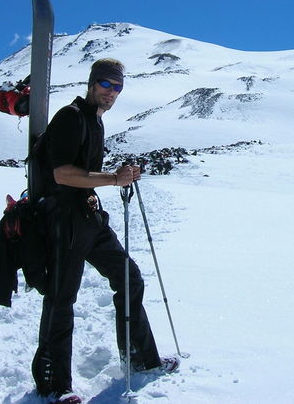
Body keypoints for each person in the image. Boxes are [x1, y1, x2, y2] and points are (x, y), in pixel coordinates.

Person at [32, 58, 179, 403]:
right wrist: (114, 179)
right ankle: (55, 387)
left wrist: (109, 180)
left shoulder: (95, 122)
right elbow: (63, 174)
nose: (112, 92)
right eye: (106, 84)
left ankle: (141, 359)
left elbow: (81, 174)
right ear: (92, 83)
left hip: (88, 217)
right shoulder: (71, 117)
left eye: (118, 87)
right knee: (61, 298)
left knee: (129, 278)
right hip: (64, 221)